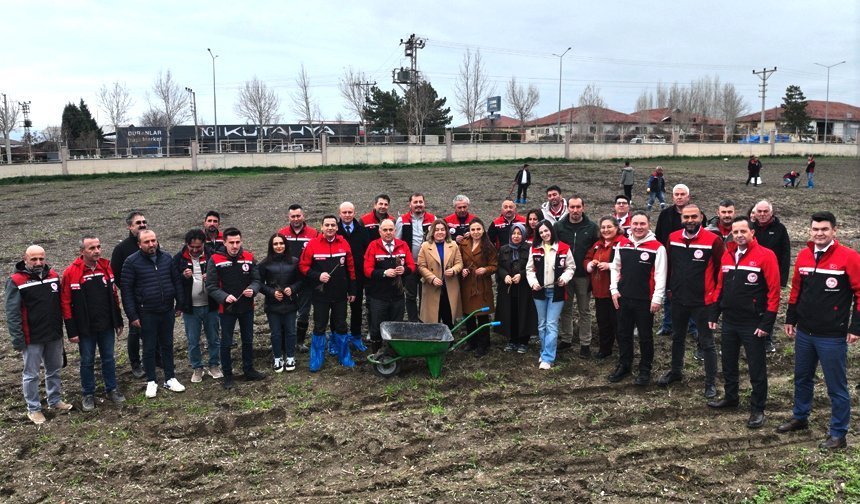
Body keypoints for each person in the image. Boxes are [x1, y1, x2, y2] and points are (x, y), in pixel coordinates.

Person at [778, 211, 860, 450]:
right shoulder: (804, 255)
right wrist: (790, 319)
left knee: (836, 386)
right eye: (815, 229)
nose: (819, 233)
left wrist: (855, 327)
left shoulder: (849, 257)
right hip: (805, 333)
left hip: (832, 336)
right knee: (802, 378)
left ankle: (838, 433)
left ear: (835, 230)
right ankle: (800, 417)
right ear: (809, 231)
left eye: (824, 229)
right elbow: (796, 291)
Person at [707, 217, 781, 429]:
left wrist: (766, 323)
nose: (739, 235)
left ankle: (758, 409)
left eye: (743, 231)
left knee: (756, 367)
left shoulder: (765, 256)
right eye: (735, 231)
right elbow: (721, 286)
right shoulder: (728, 255)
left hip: (753, 323)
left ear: (752, 233)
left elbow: (774, 293)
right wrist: (714, 314)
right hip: (730, 321)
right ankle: (731, 398)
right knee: (729, 363)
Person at [657, 204, 724, 399]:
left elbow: (722, 269)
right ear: (681, 219)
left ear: (701, 217)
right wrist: (669, 289)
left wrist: (715, 297)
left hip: (703, 301)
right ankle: (676, 372)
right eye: (686, 217)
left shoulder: (714, 241)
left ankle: (710, 382)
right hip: (678, 299)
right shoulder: (673, 238)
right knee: (677, 337)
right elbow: (669, 265)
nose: (690, 220)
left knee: (707, 342)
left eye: (694, 216)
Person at [6, 245, 73, 424]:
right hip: (31, 337)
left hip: (53, 333)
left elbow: (59, 304)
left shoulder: (53, 276)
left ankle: (55, 400)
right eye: (34, 259)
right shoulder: (16, 281)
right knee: (31, 374)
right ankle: (33, 408)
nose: (38, 262)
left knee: (54, 369)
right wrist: (18, 339)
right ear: (25, 259)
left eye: (41, 259)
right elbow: (12, 313)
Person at [61, 236, 127, 412]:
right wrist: (71, 330)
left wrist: (118, 320)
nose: (97, 251)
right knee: (87, 361)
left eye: (98, 247)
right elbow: (65, 302)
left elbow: (114, 295)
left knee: (108, 358)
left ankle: (111, 389)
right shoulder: (71, 272)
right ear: (82, 251)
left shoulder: (106, 267)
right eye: (92, 248)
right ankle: (88, 393)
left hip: (106, 324)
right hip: (85, 327)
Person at [121, 230, 185, 398]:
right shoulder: (131, 262)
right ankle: (151, 380)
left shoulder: (167, 258)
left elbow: (176, 281)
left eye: (153, 241)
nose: (151, 244)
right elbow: (126, 291)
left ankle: (170, 377)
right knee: (149, 347)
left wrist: (180, 303)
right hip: (146, 312)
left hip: (167, 310)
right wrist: (132, 315)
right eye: (147, 242)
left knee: (167, 344)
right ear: (139, 244)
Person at [608, 211, 667, 385]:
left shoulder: (657, 247)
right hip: (624, 297)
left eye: (642, 224)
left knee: (645, 336)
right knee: (623, 333)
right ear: (630, 225)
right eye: (635, 224)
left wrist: (657, 298)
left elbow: (660, 275)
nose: (638, 227)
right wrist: (614, 290)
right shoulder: (623, 244)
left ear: (648, 225)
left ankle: (644, 369)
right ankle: (624, 365)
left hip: (645, 301)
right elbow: (615, 268)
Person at [206, 227, 264, 389]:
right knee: (226, 342)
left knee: (248, 339)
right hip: (227, 309)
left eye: (238, 242)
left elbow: (257, 279)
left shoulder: (249, 257)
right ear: (224, 242)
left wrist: (253, 289)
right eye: (231, 242)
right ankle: (228, 375)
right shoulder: (216, 259)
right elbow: (210, 286)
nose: (235, 245)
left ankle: (249, 369)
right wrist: (224, 297)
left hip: (247, 306)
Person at [299, 215, 357, 371]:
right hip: (320, 295)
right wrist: (318, 276)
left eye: (333, 225)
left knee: (341, 324)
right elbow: (303, 267)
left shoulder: (344, 243)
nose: (330, 228)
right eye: (327, 225)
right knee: (319, 325)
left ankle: (344, 356)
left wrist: (352, 289)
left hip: (340, 295)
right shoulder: (312, 244)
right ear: (322, 227)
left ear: (337, 228)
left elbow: (351, 269)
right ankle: (317, 358)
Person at [174, 229, 222, 384]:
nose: (195, 250)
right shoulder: (178, 259)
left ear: (204, 244)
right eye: (191, 247)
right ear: (187, 244)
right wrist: (183, 277)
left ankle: (214, 365)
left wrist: (211, 277)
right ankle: (197, 367)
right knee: (193, 340)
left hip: (210, 305)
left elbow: (222, 277)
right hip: (190, 307)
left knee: (213, 338)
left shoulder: (213, 256)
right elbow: (173, 282)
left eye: (198, 247)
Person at [554, 195, 599, 357]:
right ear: (567, 208)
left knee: (584, 310)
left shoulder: (592, 227)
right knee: (565, 308)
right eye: (572, 207)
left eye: (578, 207)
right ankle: (566, 338)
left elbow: (597, 248)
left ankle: (585, 343)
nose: (575, 210)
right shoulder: (559, 226)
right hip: (565, 275)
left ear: (583, 208)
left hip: (582, 276)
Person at [527, 220, 575, 369]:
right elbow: (530, 269)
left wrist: (564, 278)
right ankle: (544, 351)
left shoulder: (564, 248)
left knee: (551, 324)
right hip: (540, 292)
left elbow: (571, 267)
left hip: (557, 292)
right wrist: (533, 283)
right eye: (541, 232)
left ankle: (548, 357)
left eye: (546, 231)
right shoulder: (534, 248)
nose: (544, 234)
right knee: (541, 325)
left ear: (552, 231)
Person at [364, 219, 415, 353]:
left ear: (395, 231)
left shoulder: (402, 245)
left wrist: (405, 270)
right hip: (378, 296)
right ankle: (377, 353)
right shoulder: (373, 246)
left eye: (390, 230)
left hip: (397, 295)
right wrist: (384, 273)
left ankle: (393, 352)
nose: (388, 233)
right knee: (376, 326)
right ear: (379, 231)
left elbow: (412, 266)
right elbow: (367, 270)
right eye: (385, 230)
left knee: (396, 325)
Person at [110, 210, 149, 379]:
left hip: (151, 295)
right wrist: (129, 292)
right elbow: (116, 274)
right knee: (135, 330)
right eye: (138, 223)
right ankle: (135, 363)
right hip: (133, 297)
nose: (142, 225)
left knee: (153, 329)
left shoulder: (151, 242)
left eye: (144, 222)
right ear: (129, 226)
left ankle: (155, 358)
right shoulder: (121, 248)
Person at [655, 184, 697, 338]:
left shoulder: (698, 215)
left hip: (692, 261)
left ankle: (693, 327)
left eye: (682, 194)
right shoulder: (665, 215)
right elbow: (659, 238)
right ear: (672, 197)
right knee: (669, 293)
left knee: (692, 293)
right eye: (676, 194)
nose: (679, 197)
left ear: (688, 196)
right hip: (670, 261)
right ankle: (668, 325)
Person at [258, 233, 303, 373]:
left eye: (281, 243)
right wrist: (271, 292)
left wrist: (293, 288)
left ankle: (290, 356)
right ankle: (277, 357)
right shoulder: (264, 263)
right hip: (273, 305)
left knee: (290, 331)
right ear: (271, 246)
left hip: (290, 303)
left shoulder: (294, 261)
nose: (279, 246)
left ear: (285, 245)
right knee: (275, 333)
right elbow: (258, 283)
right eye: (275, 244)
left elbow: (301, 280)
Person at [278, 204, 318, 352]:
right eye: (293, 216)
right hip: (286, 280)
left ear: (303, 216)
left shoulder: (313, 233)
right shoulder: (282, 233)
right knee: (284, 310)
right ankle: (282, 339)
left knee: (304, 311)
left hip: (306, 279)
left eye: (298, 216)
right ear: (289, 217)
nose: (296, 219)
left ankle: (300, 342)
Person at [585, 216, 625, 359]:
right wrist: (591, 264)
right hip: (600, 290)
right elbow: (587, 258)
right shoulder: (598, 244)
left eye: (609, 227)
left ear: (616, 228)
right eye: (603, 227)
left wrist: (610, 266)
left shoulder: (623, 243)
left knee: (618, 322)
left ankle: (623, 351)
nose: (606, 230)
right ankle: (605, 348)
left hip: (616, 291)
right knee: (603, 321)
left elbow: (626, 264)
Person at [459, 218, 498, 357]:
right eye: (473, 229)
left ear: (483, 230)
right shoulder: (463, 244)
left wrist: (485, 270)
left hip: (482, 285)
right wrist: (462, 269)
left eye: (478, 229)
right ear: (469, 231)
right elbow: (458, 261)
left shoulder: (488, 246)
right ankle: (471, 342)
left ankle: (484, 344)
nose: (476, 232)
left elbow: (494, 266)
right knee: (468, 315)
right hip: (467, 284)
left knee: (482, 316)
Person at [496, 223, 537, 353]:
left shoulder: (530, 248)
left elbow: (533, 266)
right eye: (514, 233)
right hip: (508, 288)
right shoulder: (503, 249)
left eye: (519, 233)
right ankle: (512, 340)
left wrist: (522, 275)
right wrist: (505, 276)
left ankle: (523, 341)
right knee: (510, 313)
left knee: (524, 312)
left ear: (524, 235)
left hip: (524, 288)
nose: (516, 236)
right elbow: (499, 266)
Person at [395, 193, 436, 322]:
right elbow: (398, 242)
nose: (418, 205)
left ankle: (424, 320)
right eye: (415, 202)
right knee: (411, 296)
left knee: (426, 295)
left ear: (424, 203)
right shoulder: (402, 220)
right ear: (410, 204)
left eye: (420, 202)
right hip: (410, 265)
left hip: (427, 265)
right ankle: (413, 322)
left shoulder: (432, 219)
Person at [417, 219, 463, 327]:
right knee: (433, 318)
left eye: (443, 229)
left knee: (448, 317)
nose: (440, 232)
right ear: (432, 232)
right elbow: (421, 266)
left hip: (449, 286)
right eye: (437, 230)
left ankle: (449, 341)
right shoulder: (425, 246)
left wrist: (453, 270)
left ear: (446, 231)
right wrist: (431, 278)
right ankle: (434, 341)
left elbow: (459, 263)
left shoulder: (454, 245)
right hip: (432, 286)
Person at [337, 201, 370, 352]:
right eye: (344, 212)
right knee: (338, 309)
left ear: (354, 213)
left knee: (356, 308)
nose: (347, 215)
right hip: (337, 278)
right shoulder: (334, 230)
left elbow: (367, 254)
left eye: (350, 212)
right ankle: (337, 338)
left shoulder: (362, 231)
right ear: (340, 214)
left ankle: (356, 336)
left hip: (357, 278)